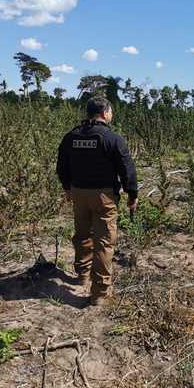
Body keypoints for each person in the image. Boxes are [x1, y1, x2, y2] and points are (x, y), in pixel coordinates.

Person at [56, 96, 138, 306]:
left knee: (82, 234)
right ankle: (99, 293)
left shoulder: (71, 136)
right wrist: (132, 195)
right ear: (105, 113)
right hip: (104, 197)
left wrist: (67, 188)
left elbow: (61, 166)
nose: (112, 115)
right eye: (111, 112)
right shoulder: (112, 138)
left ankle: (82, 275)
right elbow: (127, 169)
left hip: (78, 193)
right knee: (103, 242)